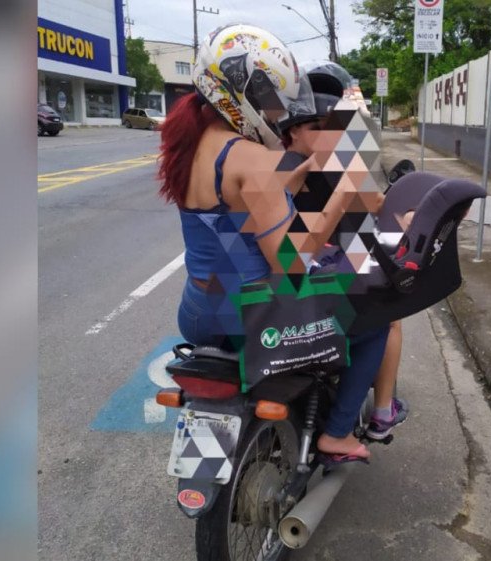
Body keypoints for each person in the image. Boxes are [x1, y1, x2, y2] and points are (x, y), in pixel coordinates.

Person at [157, 24, 388, 464]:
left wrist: (308, 165)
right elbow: (291, 263)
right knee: (375, 322)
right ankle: (337, 432)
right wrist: (343, 193)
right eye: (272, 101)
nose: (278, 115)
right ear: (244, 91)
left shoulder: (192, 150)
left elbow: (244, 203)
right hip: (252, 316)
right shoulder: (252, 158)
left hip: (198, 313)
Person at [280, 60, 410, 442]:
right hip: (314, 264)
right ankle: (382, 411)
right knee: (389, 320)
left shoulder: (272, 156)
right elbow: (375, 205)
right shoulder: (344, 156)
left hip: (298, 263)